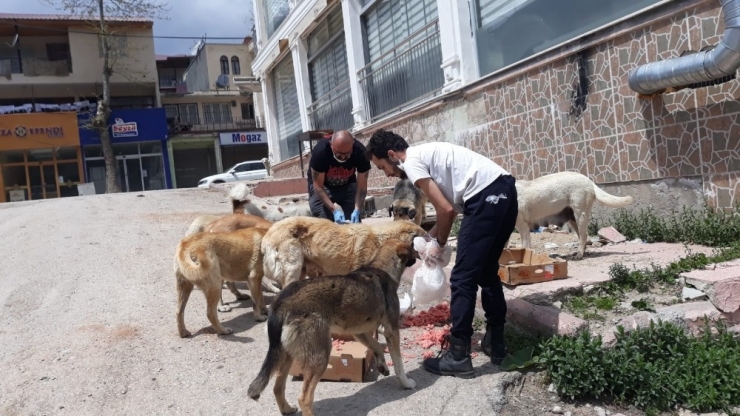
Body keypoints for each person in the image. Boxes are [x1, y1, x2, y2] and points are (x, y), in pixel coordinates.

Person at [365, 129, 518, 378]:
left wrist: (438, 246)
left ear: (392, 155)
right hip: (505, 190)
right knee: (487, 271)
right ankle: (496, 343)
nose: (388, 173)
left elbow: (445, 210)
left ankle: (458, 354)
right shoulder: (426, 155)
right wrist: (429, 237)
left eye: (382, 167)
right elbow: (451, 209)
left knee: (461, 279)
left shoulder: (412, 163)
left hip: (484, 196)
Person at [307, 130, 371, 224]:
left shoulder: (361, 152)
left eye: (347, 154)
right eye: (339, 154)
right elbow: (318, 187)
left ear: (352, 146)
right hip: (323, 186)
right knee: (323, 221)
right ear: (331, 145)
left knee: (354, 224)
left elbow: (362, 187)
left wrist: (357, 209)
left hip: (347, 184)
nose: (343, 157)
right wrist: (334, 210)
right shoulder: (321, 151)